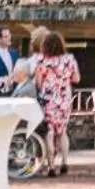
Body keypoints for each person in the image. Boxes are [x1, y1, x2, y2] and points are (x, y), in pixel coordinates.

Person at [34, 31, 81, 177]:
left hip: (48, 98)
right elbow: (76, 79)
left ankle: (51, 166)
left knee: (49, 132)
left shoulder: (41, 60)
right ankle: (65, 162)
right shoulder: (69, 59)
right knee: (62, 132)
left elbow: (38, 83)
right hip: (64, 99)